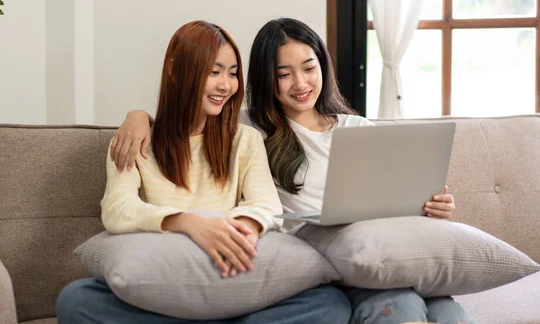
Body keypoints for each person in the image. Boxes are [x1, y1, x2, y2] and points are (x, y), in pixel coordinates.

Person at [113, 18, 475, 324]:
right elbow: (194, 116)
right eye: (283, 74)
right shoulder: (251, 130)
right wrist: (139, 117)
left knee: (449, 313)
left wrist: (432, 206)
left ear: (323, 66)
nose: (300, 84)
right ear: (265, 81)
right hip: (328, 266)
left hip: (383, 253)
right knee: (403, 307)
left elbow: (397, 201)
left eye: (308, 68)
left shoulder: (360, 130)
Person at [55, 20, 351, 324]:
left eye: (233, 73)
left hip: (230, 281)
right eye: (214, 71)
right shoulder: (135, 142)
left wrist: (232, 233)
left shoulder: (245, 137)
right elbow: (117, 209)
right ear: (174, 70)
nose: (226, 84)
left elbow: (266, 204)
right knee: (77, 299)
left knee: (329, 303)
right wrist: (188, 223)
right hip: (167, 282)